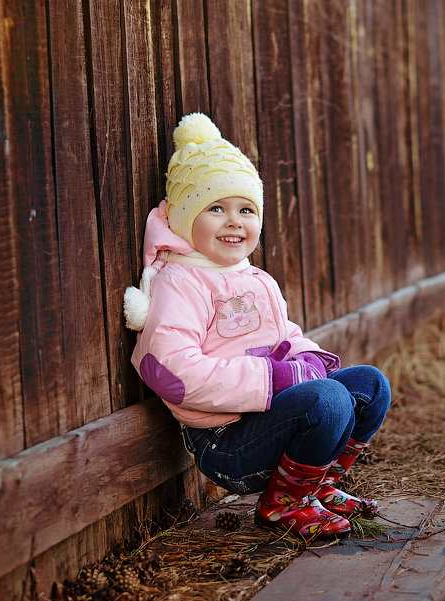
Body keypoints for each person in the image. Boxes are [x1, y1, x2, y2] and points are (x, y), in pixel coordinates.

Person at [123, 113, 390, 539]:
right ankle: (282, 506)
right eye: (216, 208)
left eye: (246, 209)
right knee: (327, 400)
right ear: (185, 220)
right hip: (226, 441)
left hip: (266, 418)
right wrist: (276, 378)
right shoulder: (180, 282)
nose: (234, 221)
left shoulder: (255, 279)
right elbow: (172, 372)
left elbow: (284, 336)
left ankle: (315, 487)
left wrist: (308, 357)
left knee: (370, 385)